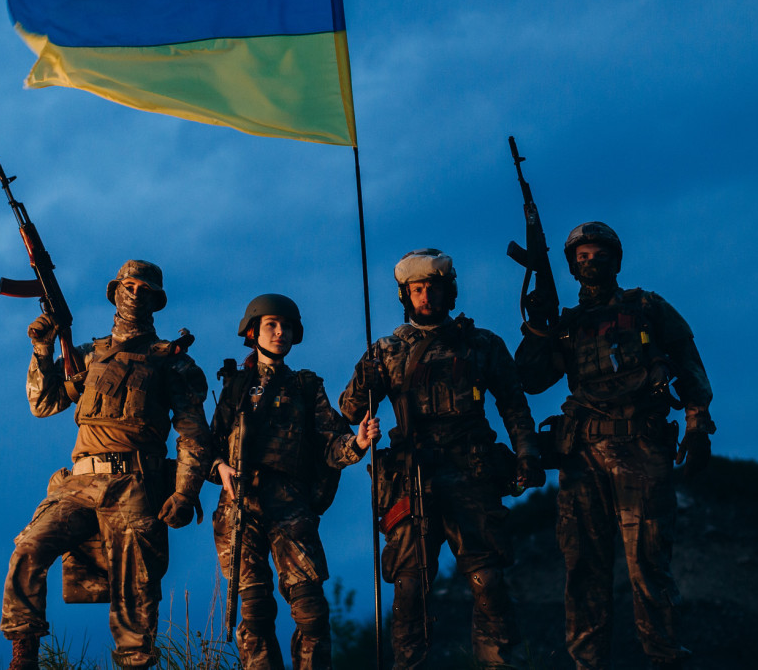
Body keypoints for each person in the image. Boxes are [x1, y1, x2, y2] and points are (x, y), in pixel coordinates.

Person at [514, 222, 715, 670]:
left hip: (641, 449)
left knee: (649, 568)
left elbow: (688, 363)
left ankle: (664, 659)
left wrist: (697, 427)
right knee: (583, 571)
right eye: (581, 256)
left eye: (598, 253)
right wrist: (539, 324)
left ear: (615, 259)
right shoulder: (565, 326)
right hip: (582, 457)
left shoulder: (646, 307)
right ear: (571, 266)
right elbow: (528, 380)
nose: (590, 262)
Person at [0, 260, 212, 670]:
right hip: (78, 484)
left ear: (156, 300)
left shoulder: (171, 361)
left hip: (132, 484)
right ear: (115, 291)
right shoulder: (90, 356)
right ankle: (23, 656)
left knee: (135, 590)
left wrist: (186, 493)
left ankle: (134, 664)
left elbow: (193, 435)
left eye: (144, 288)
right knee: (27, 548)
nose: (134, 293)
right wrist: (42, 349)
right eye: (128, 285)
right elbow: (42, 403)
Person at [338, 248, 544, 669]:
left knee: (487, 580)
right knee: (410, 587)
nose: (425, 296)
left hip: (472, 474)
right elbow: (349, 408)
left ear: (449, 291)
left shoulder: (481, 344)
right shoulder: (386, 351)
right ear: (405, 296)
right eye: (416, 289)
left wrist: (527, 453)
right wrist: (369, 382)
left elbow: (514, 405)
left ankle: (500, 663)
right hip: (411, 478)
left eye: (432, 287)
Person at [209, 294, 380, 670]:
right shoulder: (235, 387)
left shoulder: (305, 387)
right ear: (253, 331)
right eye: (271, 325)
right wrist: (220, 467)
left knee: (310, 610)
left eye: (286, 326)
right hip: (239, 506)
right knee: (254, 610)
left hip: (290, 505)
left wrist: (358, 443)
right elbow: (209, 445)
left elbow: (331, 442)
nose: (279, 332)